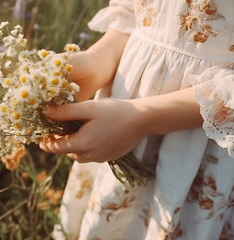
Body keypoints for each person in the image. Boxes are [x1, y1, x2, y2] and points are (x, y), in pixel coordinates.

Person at [39, 0, 234, 239]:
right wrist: (99, 60)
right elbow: (141, 11)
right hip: (118, 111)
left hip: (206, 143)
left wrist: (143, 118)